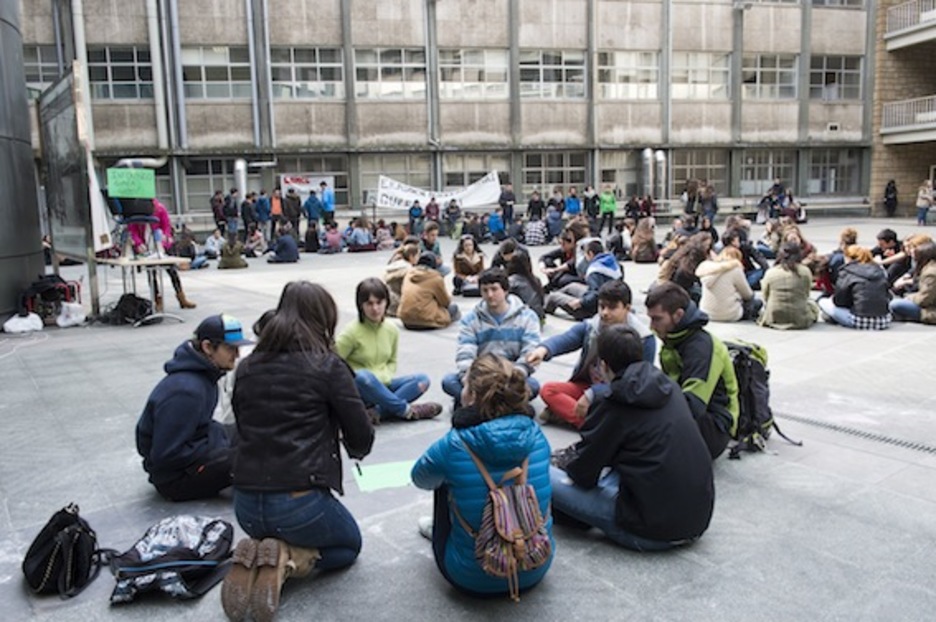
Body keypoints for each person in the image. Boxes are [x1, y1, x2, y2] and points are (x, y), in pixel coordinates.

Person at [221, 282, 374, 622]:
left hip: (245, 505)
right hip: (299, 503)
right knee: (348, 547)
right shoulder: (327, 366)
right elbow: (361, 436)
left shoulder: (246, 367)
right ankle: (286, 558)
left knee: (276, 524)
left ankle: (263, 553)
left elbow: (241, 427)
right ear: (324, 319)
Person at [549, 324, 714, 551]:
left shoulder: (614, 403)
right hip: (696, 520)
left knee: (543, 474)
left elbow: (583, 473)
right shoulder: (668, 386)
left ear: (604, 365)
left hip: (650, 530)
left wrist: (566, 461)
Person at [411, 353, 554, 597]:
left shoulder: (454, 443)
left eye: (465, 384)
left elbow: (420, 478)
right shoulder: (537, 434)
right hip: (535, 565)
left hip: (470, 577)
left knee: (444, 480)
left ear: (473, 397)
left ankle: (440, 532)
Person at [135, 314, 251, 502]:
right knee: (248, 458)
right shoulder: (186, 391)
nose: (236, 356)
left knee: (250, 434)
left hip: (194, 450)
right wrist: (216, 447)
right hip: (175, 480)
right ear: (207, 347)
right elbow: (165, 455)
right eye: (230, 349)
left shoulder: (205, 377)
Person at [528, 281, 654, 428]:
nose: (605, 313)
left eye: (612, 307)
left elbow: (637, 386)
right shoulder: (592, 326)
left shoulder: (644, 338)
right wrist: (544, 349)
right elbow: (568, 338)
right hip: (587, 386)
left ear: (627, 308)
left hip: (618, 395)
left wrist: (594, 393)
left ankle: (582, 421)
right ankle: (596, 424)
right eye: (602, 306)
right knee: (549, 390)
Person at [645, 282, 739, 460]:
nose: (651, 326)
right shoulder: (676, 338)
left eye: (657, 319)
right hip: (689, 413)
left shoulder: (701, 348)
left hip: (714, 428)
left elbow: (693, 406)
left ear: (678, 315)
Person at [336, 278, 442, 422]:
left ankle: (377, 412)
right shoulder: (350, 332)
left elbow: (392, 361)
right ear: (361, 306)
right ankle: (407, 410)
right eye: (369, 304)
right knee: (362, 377)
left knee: (421, 380)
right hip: (361, 388)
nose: (375, 309)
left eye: (379, 303)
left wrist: (384, 377)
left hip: (384, 386)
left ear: (386, 302)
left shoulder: (391, 329)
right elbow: (334, 364)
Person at [442, 268, 541, 405]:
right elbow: (465, 351)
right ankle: (500, 404)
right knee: (448, 381)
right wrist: (468, 378)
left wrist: (515, 376)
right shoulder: (471, 319)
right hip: (482, 375)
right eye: (485, 290)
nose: (490, 295)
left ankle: (480, 403)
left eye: (494, 289)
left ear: (505, 290)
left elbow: (530, 352)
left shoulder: (527, 317)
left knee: (533, 386)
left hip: (511, 375)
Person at [127, 198, 197, 309]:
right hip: (146, 246)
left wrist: (166, 238)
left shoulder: (160, 208)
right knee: (151, 274)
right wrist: (138, 243)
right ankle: (157, 299)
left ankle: (181, 298)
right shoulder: (137, 212)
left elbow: (166, 226)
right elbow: (132, 230)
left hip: (161, 244)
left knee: (172, 271)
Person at [545, 239, 622, 320]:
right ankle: (558, 298)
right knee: (572, 286)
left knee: (553, 296)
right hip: (608, 300)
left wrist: (581, 302)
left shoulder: (594, 270)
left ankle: (546, 308)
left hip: (592, 309)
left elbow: (595, 293)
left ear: (590, 254)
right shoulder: (612, 263)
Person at [818, 245, 892, 330]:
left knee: (823, 302)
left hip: (859, 320)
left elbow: (839, 301)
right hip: (884, 320)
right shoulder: (879, 271)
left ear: (848, 258)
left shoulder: (847, 271)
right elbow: (888, 296)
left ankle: (834, 318)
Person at [758, 242, 820, 330]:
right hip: (800, 318)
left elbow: (765, 295)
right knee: (813, 305)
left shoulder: (771, 273)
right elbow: (806, 294)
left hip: (774, 317)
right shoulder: (805, 271)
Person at [695, 246, 761, 322]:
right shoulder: (735, 270)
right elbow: (747, 295)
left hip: (706, 312)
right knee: (757, 302)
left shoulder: (708, 268)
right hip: (730, 314)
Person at [398, 252, 460, 330]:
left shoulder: (409, 274)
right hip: (426, 320)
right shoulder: (435, 278)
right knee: (454, 308)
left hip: (406, 319)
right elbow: (445, 302)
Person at [890, 242, 936, 323]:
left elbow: (925, 299)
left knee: (894, 304)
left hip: (931, 311)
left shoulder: (930, 273)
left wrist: (909, 297)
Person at [506, 254, 545, 322]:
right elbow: (542, 300)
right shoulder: (536, 279)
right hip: (539, 318)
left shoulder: (511, 281)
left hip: (524, 320)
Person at [384, 243, 419, 317]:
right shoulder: (409, 270)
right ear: (411, 257)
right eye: (417, 256)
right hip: (398, 304)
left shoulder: (394, 265)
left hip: (387, 301)